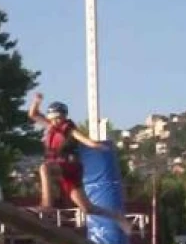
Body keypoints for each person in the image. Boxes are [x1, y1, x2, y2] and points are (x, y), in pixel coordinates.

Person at [27, 93, 132, 233]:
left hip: (71, 167)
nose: (55, 122)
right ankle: (117, 217)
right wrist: (37, 101)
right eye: (53, 119)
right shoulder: (50, 126)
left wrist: (99, 146)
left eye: (58, 118)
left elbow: (87, 141)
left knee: (44, 168)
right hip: (64, 171)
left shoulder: (70, 130)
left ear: (64, 117)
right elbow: (33, 114)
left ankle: (47, 204)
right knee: (87, 208)